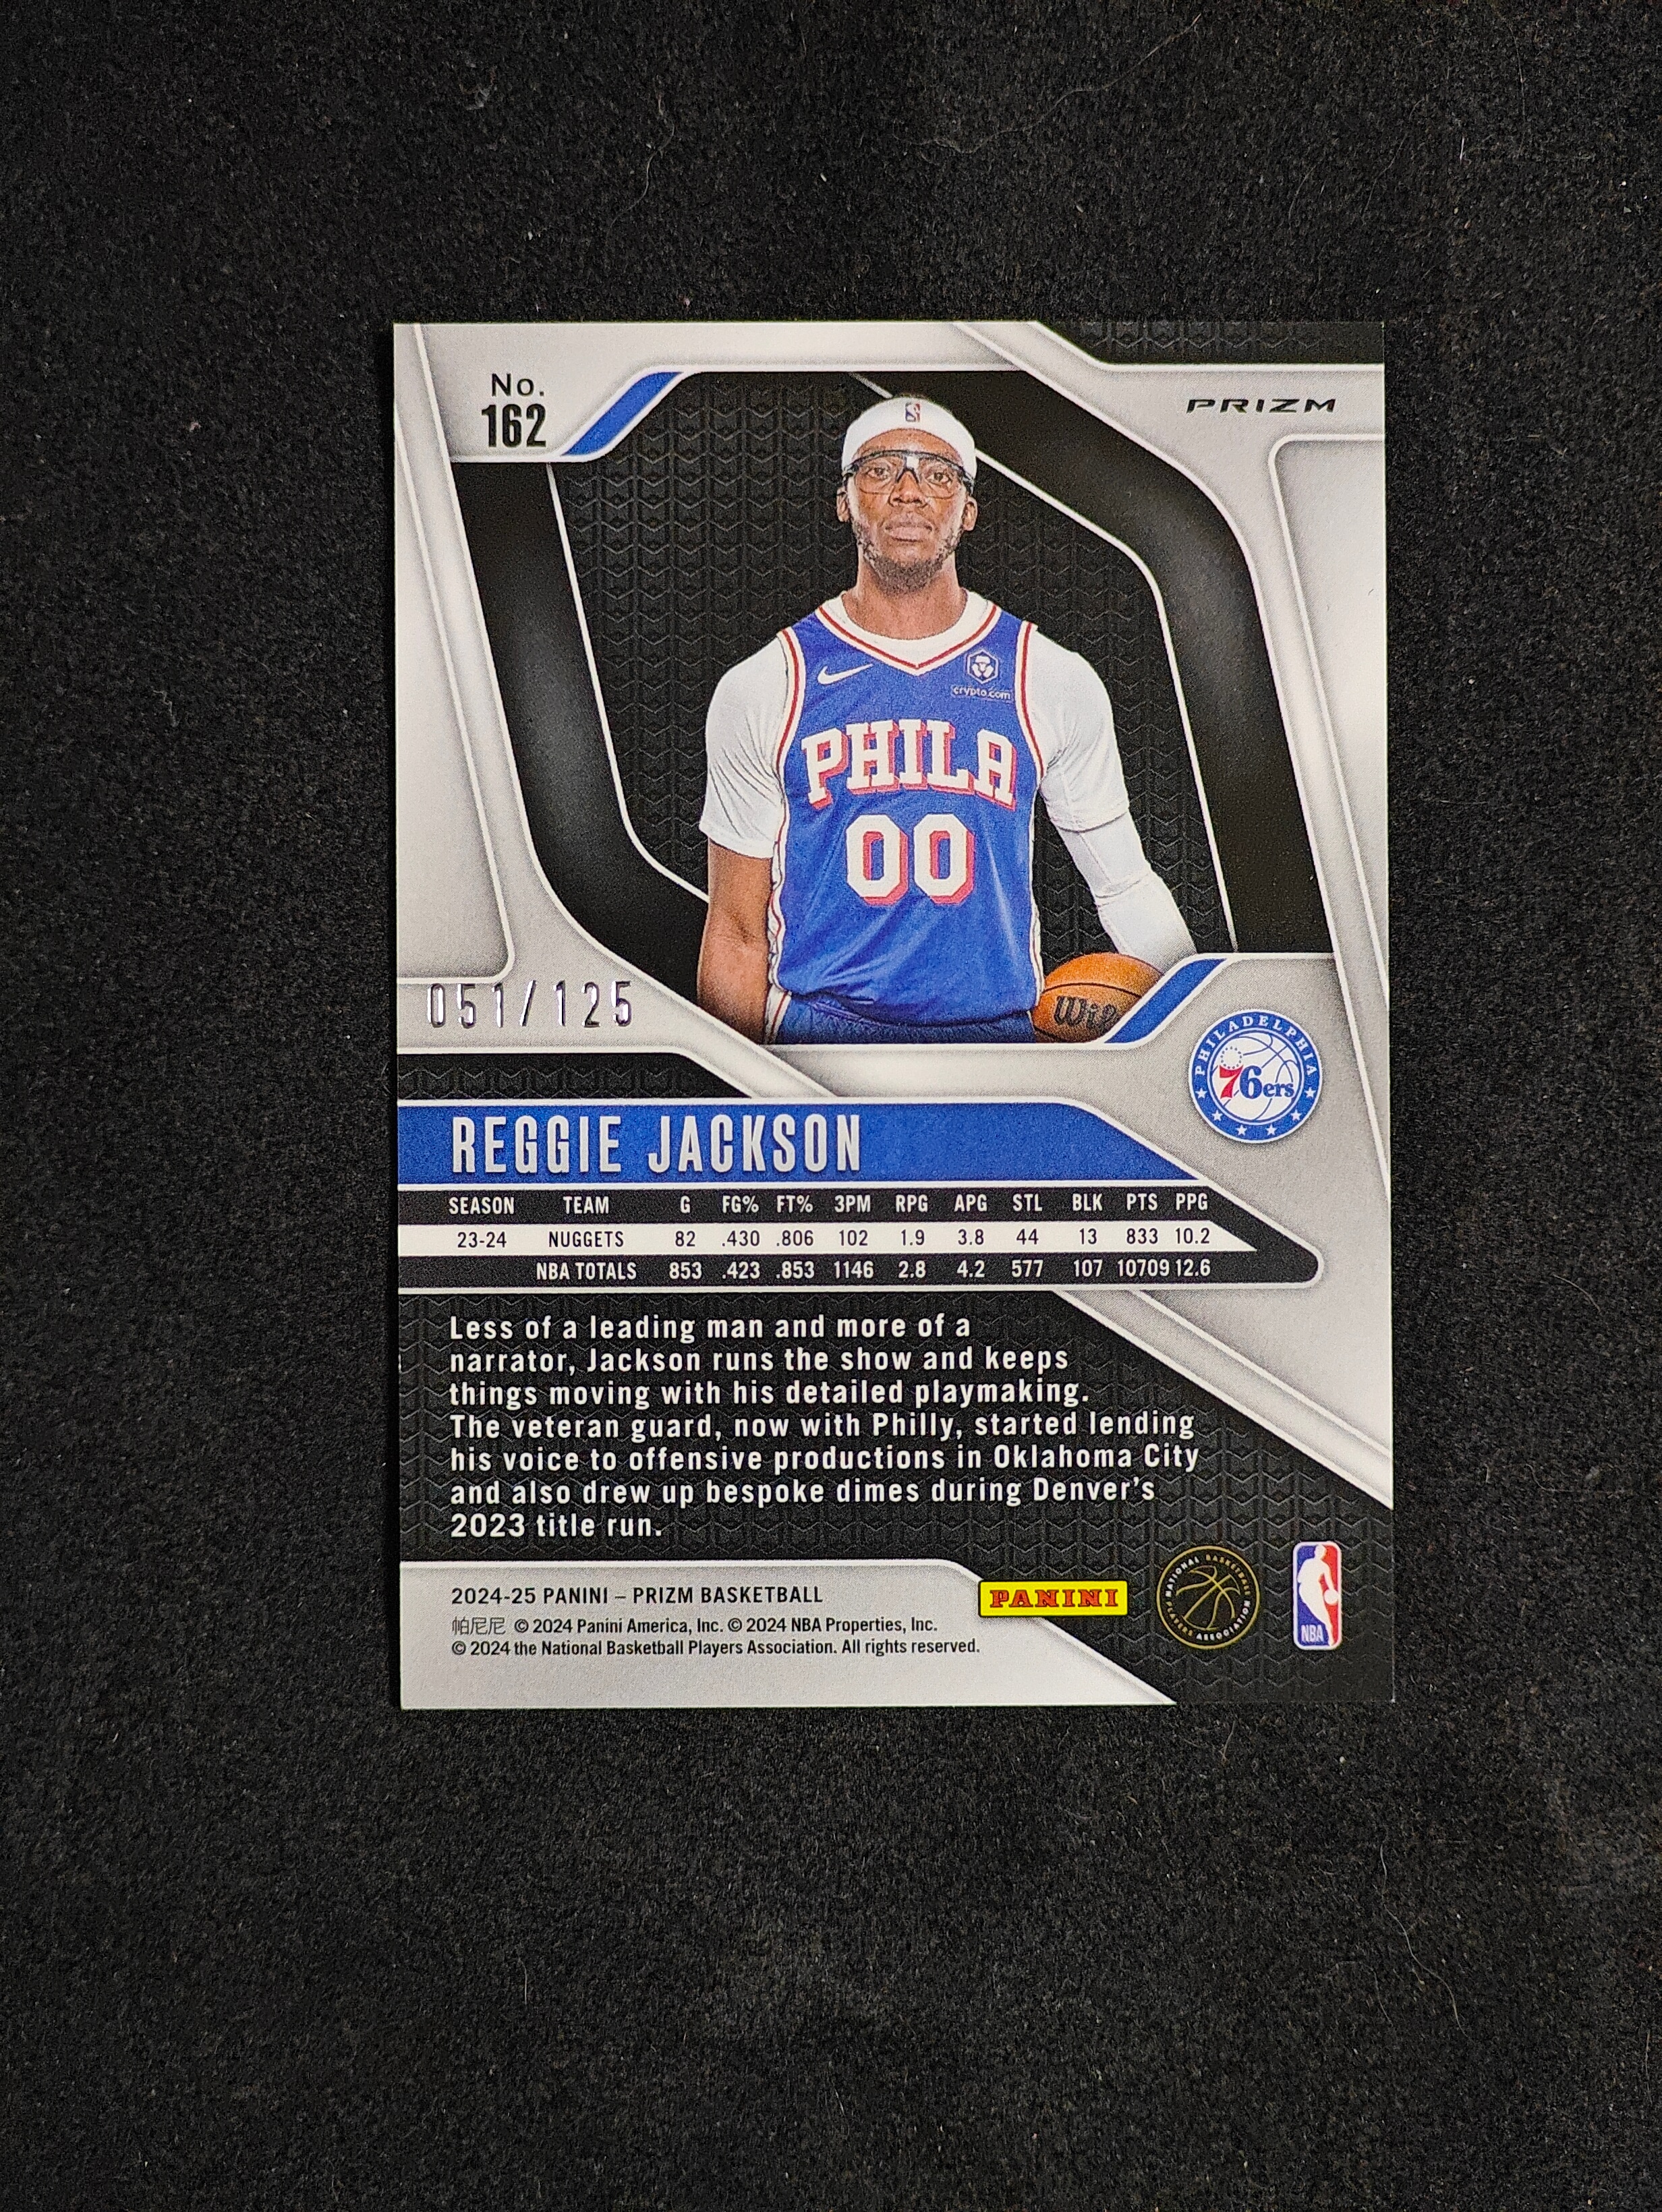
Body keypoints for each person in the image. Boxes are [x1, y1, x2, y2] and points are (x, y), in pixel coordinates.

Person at [697, 396, 1195, 1044]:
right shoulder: (769, 682)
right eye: (881, 469)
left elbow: (1125, 885)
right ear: (844, 501)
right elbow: (737, 932)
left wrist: (1204, 1012)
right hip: (820, 1041)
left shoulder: (1047, 676)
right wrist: (742, 1089)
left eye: (938, 474)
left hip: (995, 1045)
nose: (909, 491)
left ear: (968, 511)